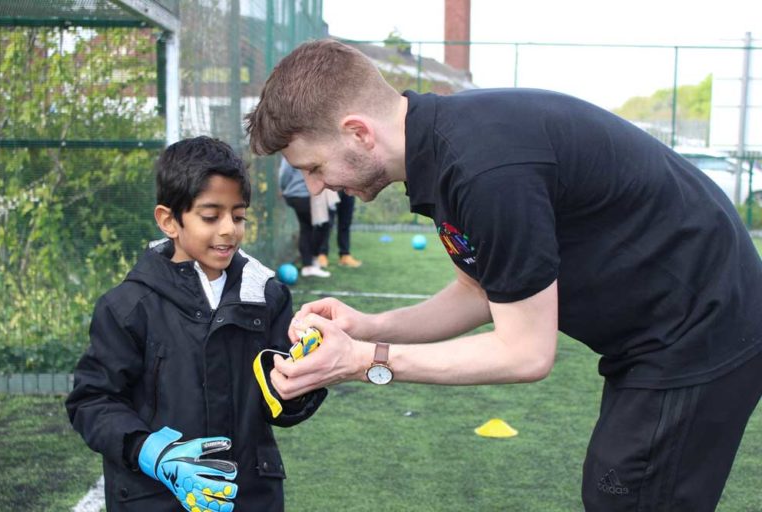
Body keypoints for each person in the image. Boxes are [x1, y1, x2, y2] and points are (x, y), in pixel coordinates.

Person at [244, 39, 762, 511]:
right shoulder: (441, 152)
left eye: (314, 167)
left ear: (358, 132)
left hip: (704, 325)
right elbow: (481, 291)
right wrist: (370, 327)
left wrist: (362, 362)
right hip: (658, 331)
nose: (315, 188)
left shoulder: (482, 170)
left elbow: (525, 353)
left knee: (629, 493)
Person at [65, 136, 326, 512]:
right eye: (210, 216)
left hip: (249, 496)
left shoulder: (267, 297)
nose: (228, 230)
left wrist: (302, 376)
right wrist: (150, 451)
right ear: (169, 220)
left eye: (238, 216)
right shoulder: (127, 306)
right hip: (154, 500)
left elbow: (280, 405)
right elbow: (92, 401)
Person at [278, 156, 331, 277]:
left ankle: (310, 263)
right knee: (315, 227)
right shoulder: (291, 147)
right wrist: (284, 188)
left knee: (310, 227)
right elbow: (284, 173)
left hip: (300, 194)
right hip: (301, 194)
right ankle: (309, 265)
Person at [317, 190, 363, 268]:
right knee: (327, 222)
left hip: (349, 186)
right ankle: (322, 254)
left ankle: (345, 255)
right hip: (332, 186)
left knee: (346, 222)